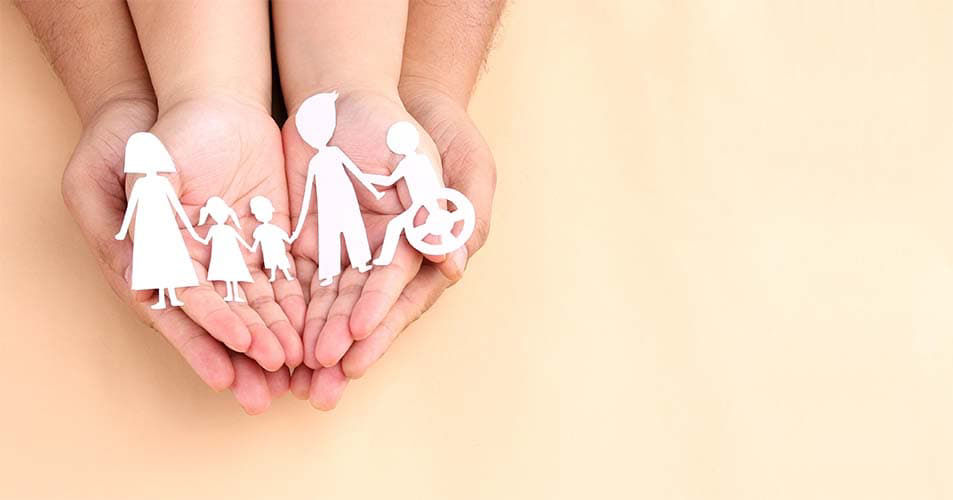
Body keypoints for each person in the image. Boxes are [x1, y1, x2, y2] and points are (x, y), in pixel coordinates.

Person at [289, 91, 385, 287]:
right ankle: (330, 270)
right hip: (329, 203)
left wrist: (374, 191)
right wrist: (298, 226)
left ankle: (359, 261)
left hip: (345, 198)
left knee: (350, 227)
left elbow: (356, 173)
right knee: (331, 233)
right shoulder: (316, 161)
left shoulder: (331, 155)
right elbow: (308, 194)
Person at [114, 132, 201, 310]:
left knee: (167, 255)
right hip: (148, 225)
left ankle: (172, 293)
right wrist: (123, 230)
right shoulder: (140, 184)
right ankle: (162, 296)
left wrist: (191, 229)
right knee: (154, 257)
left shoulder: (163, 183)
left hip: (165, 223)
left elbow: (176, 206)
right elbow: (132, 208)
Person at [199, 197, 254, 302]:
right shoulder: (214, 229)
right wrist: (196, 237)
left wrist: (248, 246)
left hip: (233, 253)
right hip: (221, 254)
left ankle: (236, 295)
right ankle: (229, 294)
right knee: (226, 274)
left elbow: (239, 238)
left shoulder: (229, 229)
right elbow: (206, 241)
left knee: (233, 272)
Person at [250, 195, 294, 282]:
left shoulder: (274, 228)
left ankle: (287, 275)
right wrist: (253, 248)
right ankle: (273, 276)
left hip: (278, 247)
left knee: (281, 262)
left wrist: (291, 238)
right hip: (268, 249)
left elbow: (285, 237)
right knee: (272, 262)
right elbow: (257, 240)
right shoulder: (260, 230)